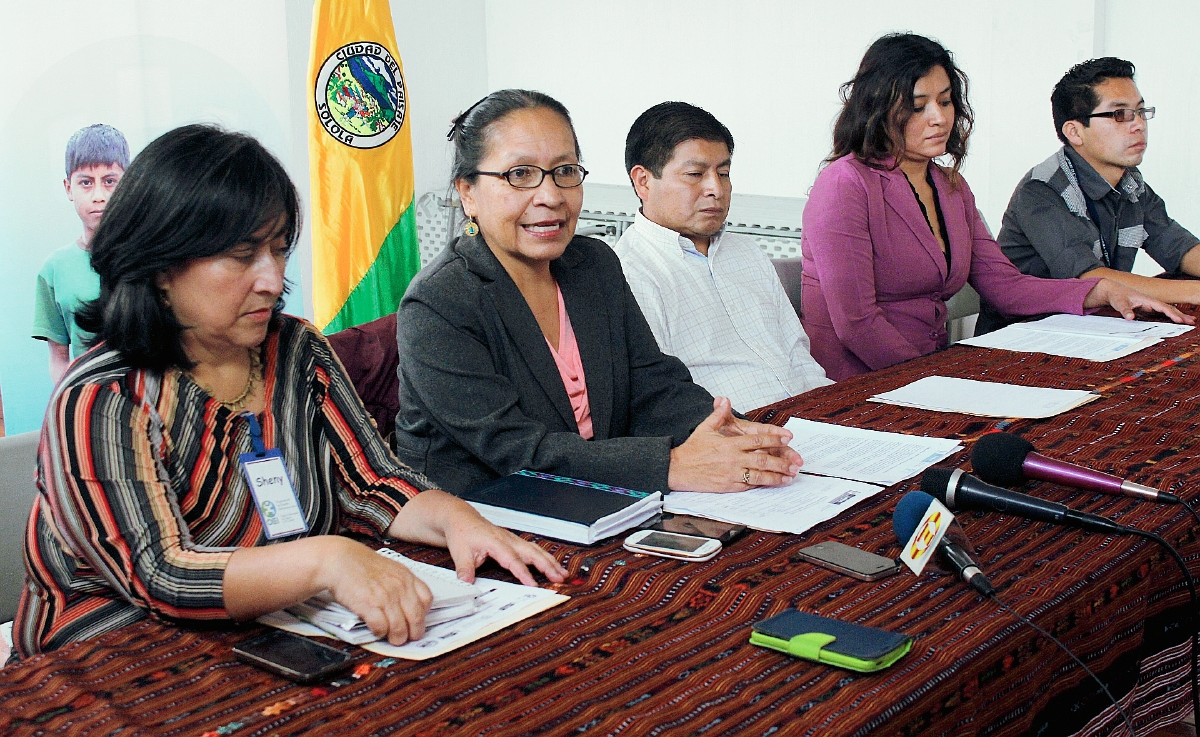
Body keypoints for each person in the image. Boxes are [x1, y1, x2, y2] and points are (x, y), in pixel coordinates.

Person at [14, 125, 564, 659]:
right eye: (241, 256)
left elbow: (371, 483)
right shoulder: (103, 396)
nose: (272, 280)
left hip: (284, 626)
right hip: (117, 655)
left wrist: (455, 518)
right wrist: (325, 561)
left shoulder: (294, 348)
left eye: (278, 251)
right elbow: (162, 575)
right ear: (158, 264)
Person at [394, 90, 804, 496]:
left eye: (565, 171)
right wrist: (672, 466)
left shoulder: (592, 265)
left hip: (602, 494)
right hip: (482, 514)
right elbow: (514, 450)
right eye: (520, 175)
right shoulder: (439, 303)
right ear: (468, 193)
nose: (551, 196)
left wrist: (733, 432)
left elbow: (652, 383)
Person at [800, 34, 1189, 382]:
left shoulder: (950, 186)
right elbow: (857, 323)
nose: (940, 118)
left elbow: (1005, 285)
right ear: (879, 108)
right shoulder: (845, 184)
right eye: (918, 106)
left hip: (929, 371)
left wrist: (1102, 291)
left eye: (946, 101)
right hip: (858, 384)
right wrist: (935, 381)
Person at [615, 101, 831, 412]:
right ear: (643, 181)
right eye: (695, 174)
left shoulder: (747, 253)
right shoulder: (630, 272)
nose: (715, 188)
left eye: (724, 172)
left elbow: (799, 357)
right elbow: (663, 399)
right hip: (731, 437)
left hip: (808, 419)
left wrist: (834, 413)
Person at [980, 57, 1200, 333]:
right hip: (1025, 334)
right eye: (1120, 115)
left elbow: (1181, 248)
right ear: (1074, 131)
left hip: (1098, 324)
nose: (1139, 125)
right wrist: (1193, 292)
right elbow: (1091, 278)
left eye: (1141, 111)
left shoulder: (1131, 182)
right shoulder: (1042, 190)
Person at [32, 124, 129, 384]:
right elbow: (58, 357)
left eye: (110, 181)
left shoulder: (149, 258)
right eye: (86, 183)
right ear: (68, 188)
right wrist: (67, 405)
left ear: (127, 185)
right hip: (87, 405)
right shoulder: (54, 269)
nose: (98, 196)